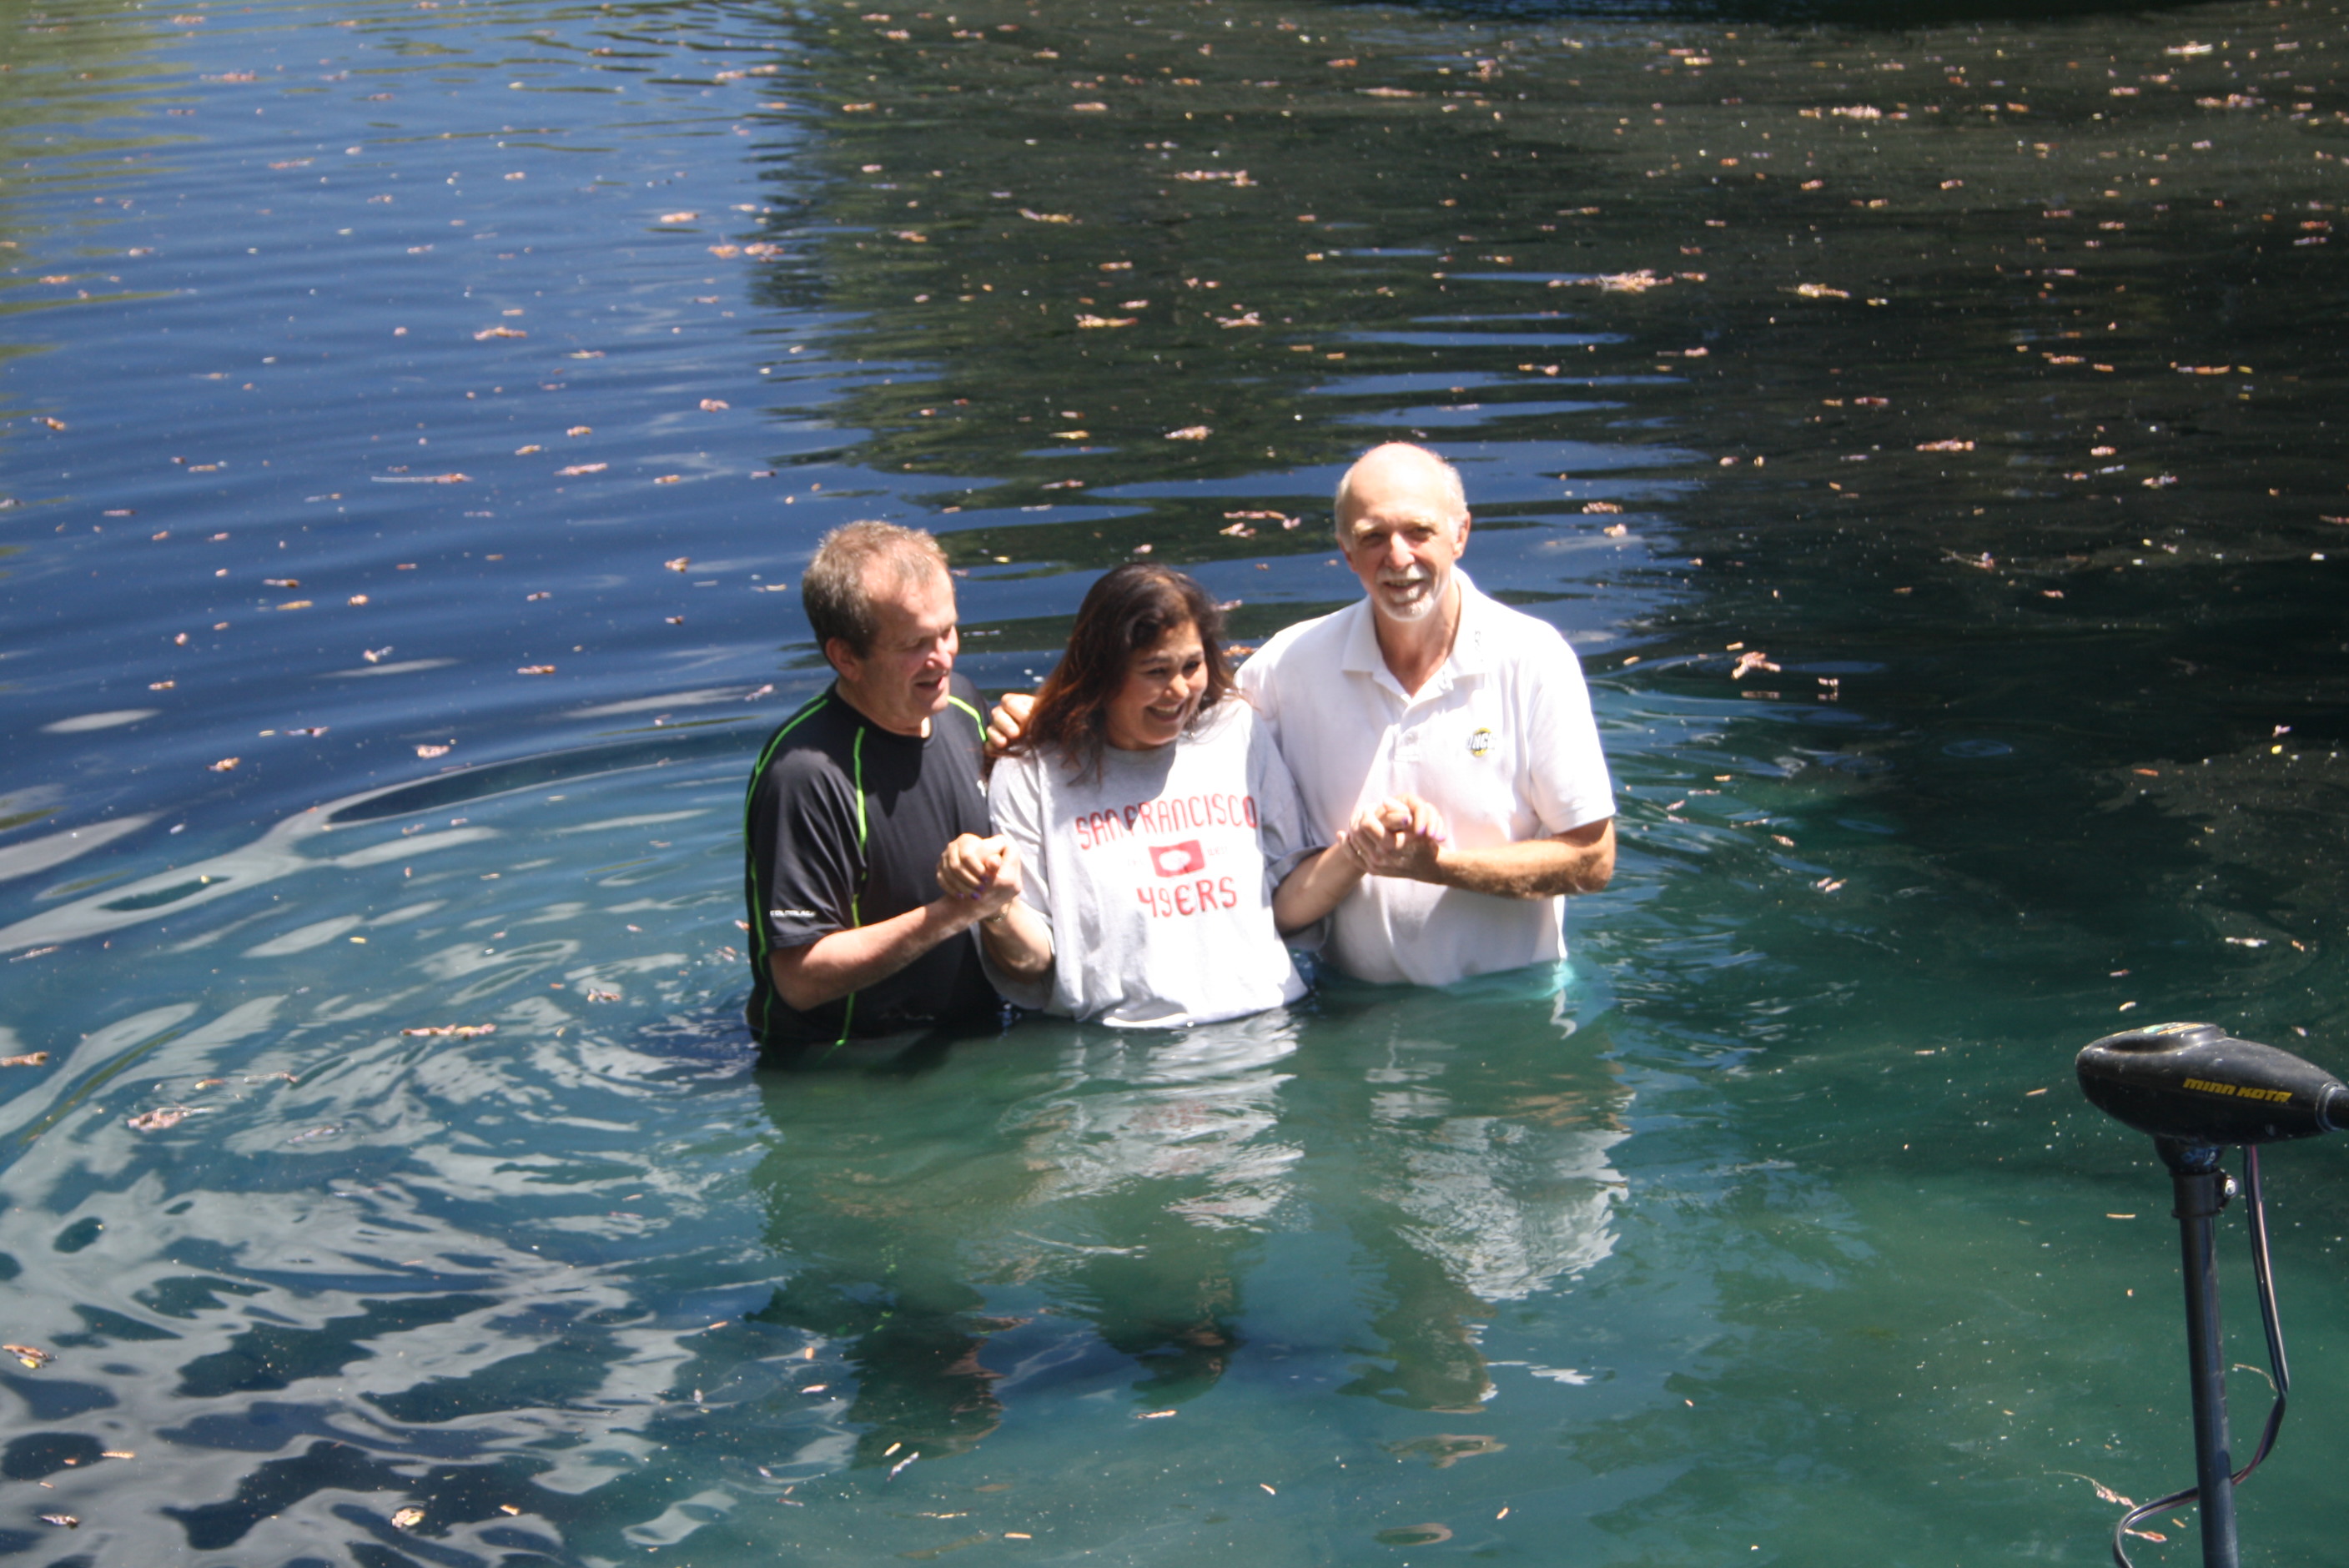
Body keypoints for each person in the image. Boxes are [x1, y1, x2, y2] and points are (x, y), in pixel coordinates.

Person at [991, 443, 1615, 988]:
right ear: (1345, 550)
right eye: (1372, 536)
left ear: (1461, 535)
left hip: (1511, 1004)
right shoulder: (1290, 666)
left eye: (1419, 531)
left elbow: (1593, 860)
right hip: (1347, 1010)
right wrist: (1048, 717)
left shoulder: (1533, 660)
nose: (1398, 557)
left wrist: (1440, 868)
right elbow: (1175, 710)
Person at [942, 564, 1363, 1027]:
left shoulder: (1236, 730)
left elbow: (1282, 904)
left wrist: (1359, 852)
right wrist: (994, 905)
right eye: (1156, 671)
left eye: (1192, 666)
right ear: (1103, 672)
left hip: (1271, 1026)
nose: (1179, 691)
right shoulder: (1032, 770)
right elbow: (1035, 963)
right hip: (1122, 1043)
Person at [742, 520, 1028, 1060]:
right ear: (846, 657)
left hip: (974, 1040)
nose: (943, 658)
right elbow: (799, 978)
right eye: (914, 644)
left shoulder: (962, 704)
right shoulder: (805, 774)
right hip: (845, 1064)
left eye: (948, 631)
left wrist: (1047, 738)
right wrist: (954, 913)